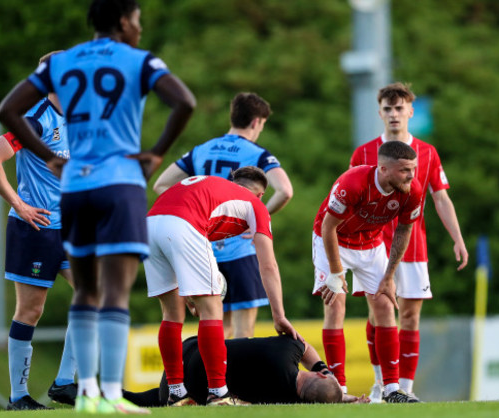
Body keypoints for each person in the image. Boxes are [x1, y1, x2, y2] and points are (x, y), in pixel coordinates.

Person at [0, 0, 196, 414]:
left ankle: (83, 391)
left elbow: (6, 109)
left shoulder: (61, 63)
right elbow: (184, 101)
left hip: (76, 191)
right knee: (114, 292)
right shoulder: (139, 60)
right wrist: (157, 153)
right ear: (124, 21)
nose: (139, 28)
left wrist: (52, 159)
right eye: (137, 20)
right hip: (118, 183)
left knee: (87, 289)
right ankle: (103, 394)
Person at [350, 83, 468, 402]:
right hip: (372, 245)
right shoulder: (363, 153)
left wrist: (457, 238)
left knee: (410, 316)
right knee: (379, 314)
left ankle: (406, 388)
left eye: (399, 108)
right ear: (379, 113)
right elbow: (351, 198)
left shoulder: (427, 152)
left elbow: (440, 198)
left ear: (410, 112)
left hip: (413, 245)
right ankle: (381, 385)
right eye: (387, 109)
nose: (393, 114)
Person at [144, 166, 300, 406]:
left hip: (151, 224)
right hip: (184, 224)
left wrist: (190, 294)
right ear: (261, 195)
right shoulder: (255, 205)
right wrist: (279, 315)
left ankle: (176, 391)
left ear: (233, 181)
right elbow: (268, 266)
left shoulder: (215, 187)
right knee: (213, 311)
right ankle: (218, 392)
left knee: (171, 313)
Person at [0, 52, 77, 411]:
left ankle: (65, 383)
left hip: (70, 228)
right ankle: (18, 397)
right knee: (31, 310)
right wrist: (19, 205)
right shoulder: (33, 121)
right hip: (36, 228)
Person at [153, 92, 293, 339]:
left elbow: (161, 185)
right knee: (242, 331)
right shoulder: (257, 154)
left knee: (214, 325)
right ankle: (234, 379)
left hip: (204, 245)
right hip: (240, 250)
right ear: (256, 122)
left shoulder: (201, 149)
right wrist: (253, 220)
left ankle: (211, 377)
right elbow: (285, 191)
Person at [312, 141, 423, 403]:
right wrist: (337, 274)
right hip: (334, 240)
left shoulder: (412, 190)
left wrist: (389, 277)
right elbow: (328, 228)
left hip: (371, 244)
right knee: (336, 306)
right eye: (405, 170)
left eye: (414, 169)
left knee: (385, 305)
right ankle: (338, 389)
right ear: (384, 169)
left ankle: (392, 389)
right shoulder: (352, 183)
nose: (412, 176)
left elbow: (404, 230)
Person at [123, 335, 361, 406]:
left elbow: (305, 346)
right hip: (186, 394)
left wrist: (326, 371)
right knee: (146, 399)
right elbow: (315, 396)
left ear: (320, 374)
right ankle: (111, 395)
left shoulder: (286, 352)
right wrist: (338, 398)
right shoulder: (283, 399)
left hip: (185, 355)